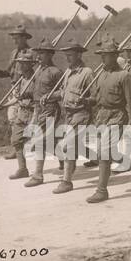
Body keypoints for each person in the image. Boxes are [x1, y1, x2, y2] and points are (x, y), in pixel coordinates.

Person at [85, 39, 131, 203]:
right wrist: (88, 101)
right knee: (107, 153)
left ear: (114, 56)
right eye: (101, 55)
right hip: (102, 117)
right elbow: (99, 98)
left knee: (104, 154)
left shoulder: (124, 76)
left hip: (117, 117)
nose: (102, 58)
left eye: (106, 56)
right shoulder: (102, 74)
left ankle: (102, 190)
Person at [52, 40, 96, 194]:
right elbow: (63, 92)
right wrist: (49, 96)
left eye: (70, 55)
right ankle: (104, 158)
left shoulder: (87, 72)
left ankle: (66, 182)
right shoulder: (68, 72)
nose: (67, 58)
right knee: (72, 146)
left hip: (81, 114)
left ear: (79, 54)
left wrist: (85, 100)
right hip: (68, 116)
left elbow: (96, 96)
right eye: (66, 55)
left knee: (68, 146)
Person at [23, 39, 64, 187]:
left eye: (41, 54)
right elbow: (36, 90)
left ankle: (38, 175)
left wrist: (51, 96)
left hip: (50, 109)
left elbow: (64, 91)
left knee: (39, 140)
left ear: (50, 55)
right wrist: (26, 94)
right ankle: (65, 159)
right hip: (37, 109)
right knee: (47, 141)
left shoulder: (56, 72)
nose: (38, 57)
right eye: (38, 53)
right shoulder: (39, 70)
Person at [0, 25, 33, 158]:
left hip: (27, 88)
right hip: (14, 88)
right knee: (12, 118)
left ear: (24, 38)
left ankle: (27, 145)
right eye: (13, 39)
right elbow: (8, 72)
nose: (15, 41)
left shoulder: (31, 53)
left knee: (25, 120)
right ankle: (17, 148)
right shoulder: (13, 53)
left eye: (17, 38)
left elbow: (34, 72)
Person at [5, 49, 38, 179]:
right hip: (22, 112)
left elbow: (37, 102)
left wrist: (34, 121)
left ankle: (63, 161)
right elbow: (17, 98)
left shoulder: (36, 80)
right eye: (20, 63)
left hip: (33, 112)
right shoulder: (22, 79)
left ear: (31, 64)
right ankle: (22, 169)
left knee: (45, 142)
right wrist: (3, 106)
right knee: (16, 140)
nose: (22, 66)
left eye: (25, 63)